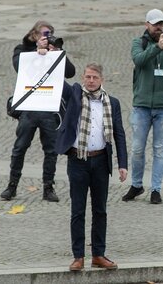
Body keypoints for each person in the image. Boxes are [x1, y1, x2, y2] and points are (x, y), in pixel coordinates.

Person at [56, 63, 127, 271]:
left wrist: (122, 164)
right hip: (78, 160)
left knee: (100, 210)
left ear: (101, 79)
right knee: (77, 210)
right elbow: (58, 81)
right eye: (87, 77)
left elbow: (119, 134)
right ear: (83, 78)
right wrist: (47, 53)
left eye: (95, 77)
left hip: (101, 161)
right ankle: (78, 256)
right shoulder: (74, 97)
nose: (91, 81)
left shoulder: (112, 103)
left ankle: (98, 254)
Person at [1, 20, 76, 202]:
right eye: (44, 34)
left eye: (50, 33)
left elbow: (71, 72)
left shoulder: (54, 53)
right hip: (29, 108)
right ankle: (12, 186)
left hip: (49, 108)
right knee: (20, 148)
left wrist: (57, 55)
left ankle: (48, 187)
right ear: (34, 35)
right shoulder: (22, 50)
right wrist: (36, 53)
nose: (47, 37)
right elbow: (19, 65)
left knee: (50, 150)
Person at [122, 9, 163, 204]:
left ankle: (156, 189)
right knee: (137, 149)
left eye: (161, 24)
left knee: (160, 149)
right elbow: (139, 60)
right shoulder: (138, 43)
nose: (159, 27)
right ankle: (136, 184)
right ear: (147, 25)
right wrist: (157, 47)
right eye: (155, 24)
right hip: (142, 104)